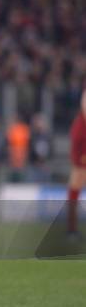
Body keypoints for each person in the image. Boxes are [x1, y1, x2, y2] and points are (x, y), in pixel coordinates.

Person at [67, 88, 86, 239]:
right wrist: (78, 160)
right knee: (73, 194)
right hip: (80, 165)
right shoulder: (79, 124)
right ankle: (71, 229)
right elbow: (76, 144)